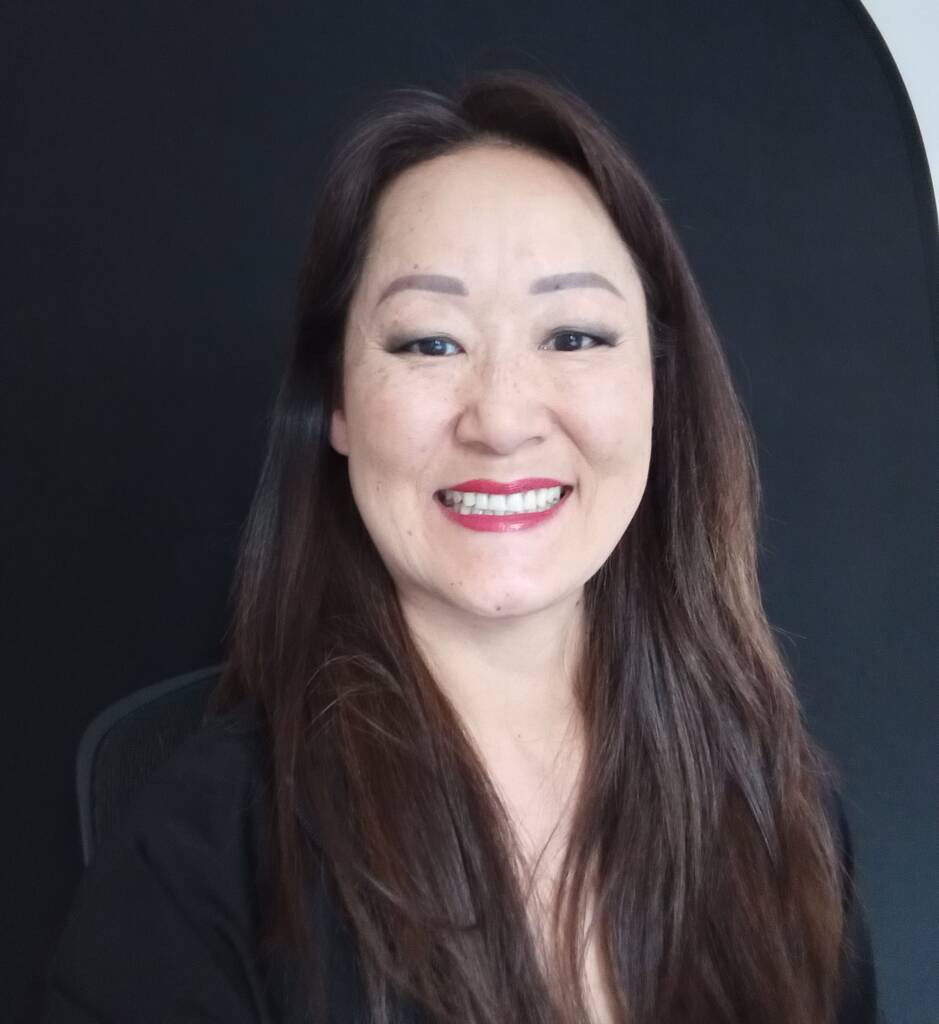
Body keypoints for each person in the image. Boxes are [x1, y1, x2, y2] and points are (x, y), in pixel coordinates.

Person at [43, 69, 879, 1024]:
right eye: (430, 344)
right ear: (340, 407)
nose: (502, 419)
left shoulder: (779, 818)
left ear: (659, 388)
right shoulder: (204, 855)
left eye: (571, 335)